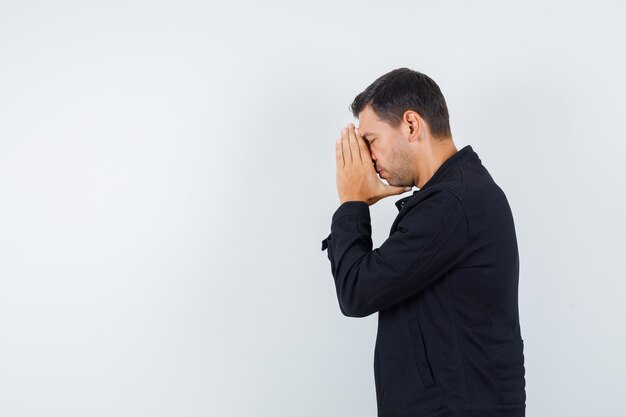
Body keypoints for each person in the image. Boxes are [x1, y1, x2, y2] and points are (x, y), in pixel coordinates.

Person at [321, 68, 525, 417]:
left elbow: (357, 291)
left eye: (371, 140)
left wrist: (352, 202)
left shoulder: (454, 202)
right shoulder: (455, 197)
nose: (368, 158)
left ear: (411, 125)